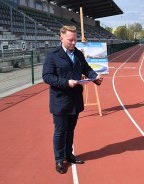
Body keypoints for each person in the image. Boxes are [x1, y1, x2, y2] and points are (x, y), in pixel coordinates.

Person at [42, 25, 103, 174]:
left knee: (71, 130)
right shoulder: (53, 55)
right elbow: (47, 76)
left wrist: (95, 77)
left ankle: (69, 154)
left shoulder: (78, 54)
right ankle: (59, 159)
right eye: (70, 40)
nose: (74, 43)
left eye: (75, 40)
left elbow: (86, 69)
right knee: (60, 131)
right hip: (60, 100)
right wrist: (66, 82)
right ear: (61, 38)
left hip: (75, 99)